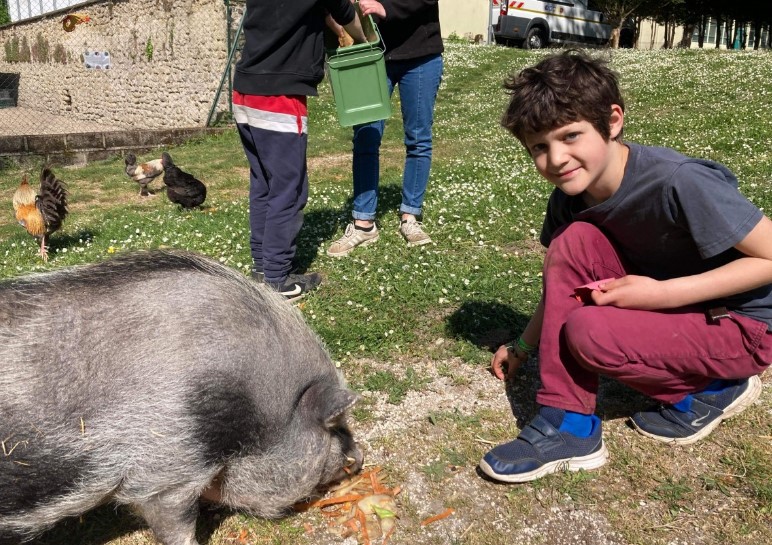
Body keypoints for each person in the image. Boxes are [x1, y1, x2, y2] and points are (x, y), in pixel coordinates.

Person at [480, 50, 772, 483]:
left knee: (589, 332)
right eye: (539, 147)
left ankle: (712, 389)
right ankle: (570, 423)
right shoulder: (569, 198)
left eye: (570, 136)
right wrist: (523, 346)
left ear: (612, 121)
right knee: (572, 241)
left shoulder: (677, 180)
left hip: (741, 324)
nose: (556, 158)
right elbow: (562, 284)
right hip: (675, 312)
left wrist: (661, 295)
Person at [233, 1, 366, 300]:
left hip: (244, 89)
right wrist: (364, 38)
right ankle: (278, 279)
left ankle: (262, 268)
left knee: (263, 182)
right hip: (278, 94)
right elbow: (347, 15)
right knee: (288, 189)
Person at [326, 0, 444, 257]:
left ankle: (410, 216)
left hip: (421, 54)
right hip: (372, 53)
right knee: (366, 136)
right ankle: (364, 223)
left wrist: (387, 7)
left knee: (418, 139)